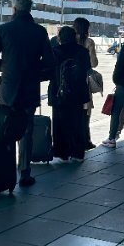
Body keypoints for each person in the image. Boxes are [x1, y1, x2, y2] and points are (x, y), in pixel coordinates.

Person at [0, 0, 54, 187]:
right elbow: (50, 63)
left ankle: (2, 173)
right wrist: (35, 74)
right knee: (26, 131)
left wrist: (5, 69)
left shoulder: (4, 29)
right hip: (29, 90)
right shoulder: (39, 31)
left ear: (14, 9)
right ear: (30, 10)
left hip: (8, 89)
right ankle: (25, 173)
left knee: (5, 127)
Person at [49, 26, 91, 162]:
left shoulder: (55, 51)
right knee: (77, 122)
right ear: (75, 37)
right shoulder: (83, 52)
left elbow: (49, 72)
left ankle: (62, 153)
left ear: (60, 38)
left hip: (59, 92)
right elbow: (87, 69)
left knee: (59, 122)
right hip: (78, 93)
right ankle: (78, 153)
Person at [73, 17, 98, 150]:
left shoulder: (67, 40)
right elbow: (93, 63)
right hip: (83, 82)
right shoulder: (88, 42)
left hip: (68, 82)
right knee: (85, 112)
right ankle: (85, 141)